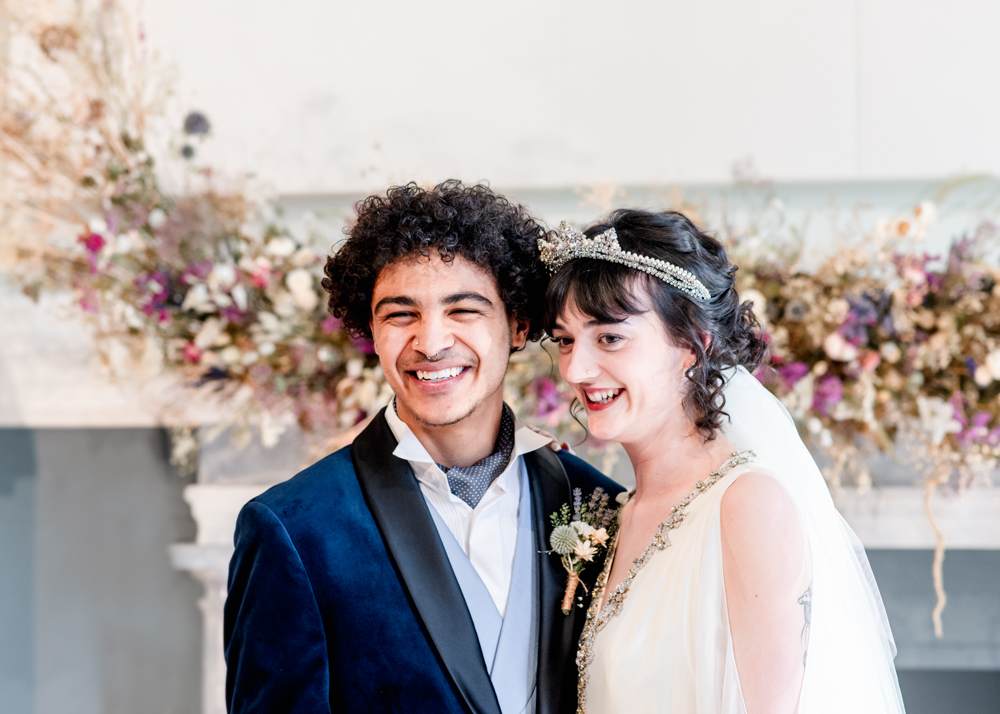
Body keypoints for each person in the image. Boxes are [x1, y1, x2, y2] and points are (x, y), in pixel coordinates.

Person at [223, 180, 623, 714]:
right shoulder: (292, 530)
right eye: (400, 314)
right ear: (371, 327)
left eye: (463, 311)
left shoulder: (599, 504)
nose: (431, 343)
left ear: (519, 324)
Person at [540, 210, 905, 713]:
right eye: (564, 340)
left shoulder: (748, 505)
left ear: (693, 344)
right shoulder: (616, 510)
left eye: (609, 337)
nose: (576, 369)